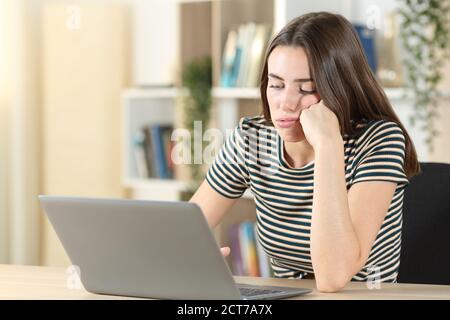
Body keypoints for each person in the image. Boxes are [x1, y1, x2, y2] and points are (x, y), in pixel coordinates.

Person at [189, 11, 420, 293]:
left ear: (339, 89)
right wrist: (192, 258)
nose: (285, 103)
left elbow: (333, 277)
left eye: (307, 89)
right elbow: (183, 233)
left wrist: (327, 145)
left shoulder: (379, 141)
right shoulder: (251, 139)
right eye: (276, 85)